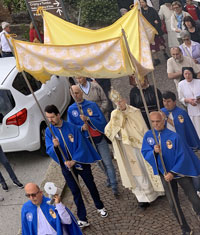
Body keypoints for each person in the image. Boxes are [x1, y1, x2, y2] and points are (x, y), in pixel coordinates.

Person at [45, 105, 107, 228]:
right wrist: (55, 147)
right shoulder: (49, 131)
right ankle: (83, 218)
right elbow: (49, 149)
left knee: (91, 185)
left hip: (80, 163)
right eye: (48, 118)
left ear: (58, 115)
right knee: (75, 192)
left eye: (52, 117)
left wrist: (74, 160)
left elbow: (81, 145)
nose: (50, 120)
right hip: (66, 167)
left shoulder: (72, 128)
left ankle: (100, 206)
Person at [142, 111, 200, 235]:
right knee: (173, 204)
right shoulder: (148, 136)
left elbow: (182, 156)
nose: (156, 124)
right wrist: (154, 152)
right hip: (165, 175)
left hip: (179, 173)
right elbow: (145, 153)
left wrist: (173, 172)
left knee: (194, 198)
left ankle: (199, 212)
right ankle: (185, 228)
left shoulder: (174, 136)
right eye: (153, 122)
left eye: (158, 121)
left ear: (163, 121)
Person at [105, 89, 164, 209]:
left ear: (125, 100)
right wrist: (118, 128)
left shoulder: (135, 111)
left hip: (141, 145)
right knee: (136, 172)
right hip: (127, 148)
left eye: (121, 101)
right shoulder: (114, 115)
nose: (120, 104)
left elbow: (143, 128)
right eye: (117, 102)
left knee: (147, 167)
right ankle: (143, 198)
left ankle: (157, 191)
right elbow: (109, 132)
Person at [67, 85, 118, 197]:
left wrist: (89, 120)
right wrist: (81, 128)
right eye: (73, 93)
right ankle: (109, 178)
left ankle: (114, 185)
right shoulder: (71, 110)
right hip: (87, 142)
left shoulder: (92, 105)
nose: (76, 95)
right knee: (99, 163)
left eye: (77, 92)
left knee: (108, 162)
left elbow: (102, 121)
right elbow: (71, 128)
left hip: (98, 139)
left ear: (81, 92)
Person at [162, 91, 200, 192]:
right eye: (164, 101)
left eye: (168, 101)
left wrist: (167, 119)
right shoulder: (161, 112)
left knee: (193, 167)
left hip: (182, 145)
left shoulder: (181, 113)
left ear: (174, 102)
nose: (166, 104)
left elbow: (185, 129)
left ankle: (197, 188)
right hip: (168, 146)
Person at [140, 0, 168, 66]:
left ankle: (165, 54)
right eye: (140, 2)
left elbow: (157, 19)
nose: (141, 4)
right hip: (148, 32)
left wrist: (156, 24)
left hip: (155, 30)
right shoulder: (140, 12)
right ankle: (156, 59)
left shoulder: (152, 10)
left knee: (161, 45)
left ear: (146, 2)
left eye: (143, 2)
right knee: (152, 47)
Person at [178, 67, 200, 138]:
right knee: (197, 127)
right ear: (183, 75)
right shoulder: (181, 84)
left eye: (189, 73)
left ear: (192, 73)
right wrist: (188, 100)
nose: (187, 75)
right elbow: (181, 98)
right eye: (185, 74)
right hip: (192, 109)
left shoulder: (198, 82)